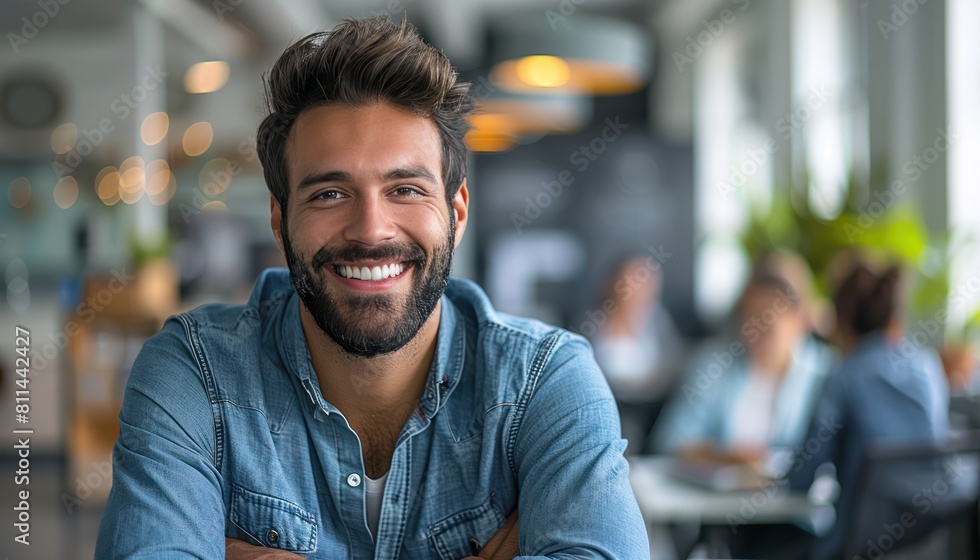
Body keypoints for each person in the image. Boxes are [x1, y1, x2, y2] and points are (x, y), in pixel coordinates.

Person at [95, 16, 647, 559]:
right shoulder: (194, 373)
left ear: (456, 213)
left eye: (405, 188)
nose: (370, 230)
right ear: (278, 217)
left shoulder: (543, 380)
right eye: (329, 194)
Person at [787, 262, 950, 560]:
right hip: (925, 546)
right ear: (894, 319)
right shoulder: (928, 367)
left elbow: (802, 477)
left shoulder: (845, 377)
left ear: (841, 321)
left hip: (853, 547)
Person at [649, 253, 836, 467]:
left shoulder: (825, 372)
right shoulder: (713, 364)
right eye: (750, 321)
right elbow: (670, 441)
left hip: (792, 497)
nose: (756, 334)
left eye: (769, 324)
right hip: (714, 494)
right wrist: (725, 457)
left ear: (798, 322)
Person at [589, 256, 683, 453]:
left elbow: (672, 366)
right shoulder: (593, 324)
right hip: (608, 409)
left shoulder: (658, 322)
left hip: (651, 411)